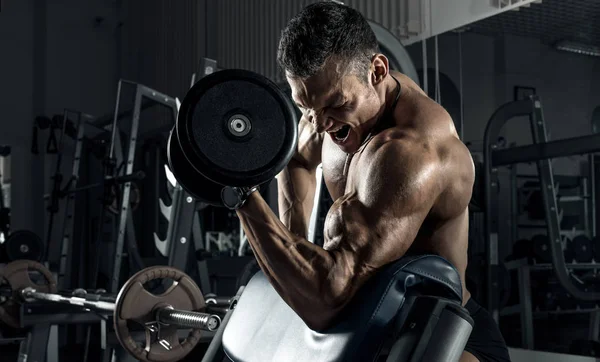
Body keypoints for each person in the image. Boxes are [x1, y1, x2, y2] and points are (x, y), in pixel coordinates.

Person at [232, 2, 510, 361]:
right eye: (305, 108)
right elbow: (298, 158)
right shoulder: (324, 110)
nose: (317, 125)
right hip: (370, 326)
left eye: (335, 105)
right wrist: (295, 240)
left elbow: (327, 299)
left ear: (377, 71)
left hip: (440, 336)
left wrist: (240, 197)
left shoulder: (413, 152)